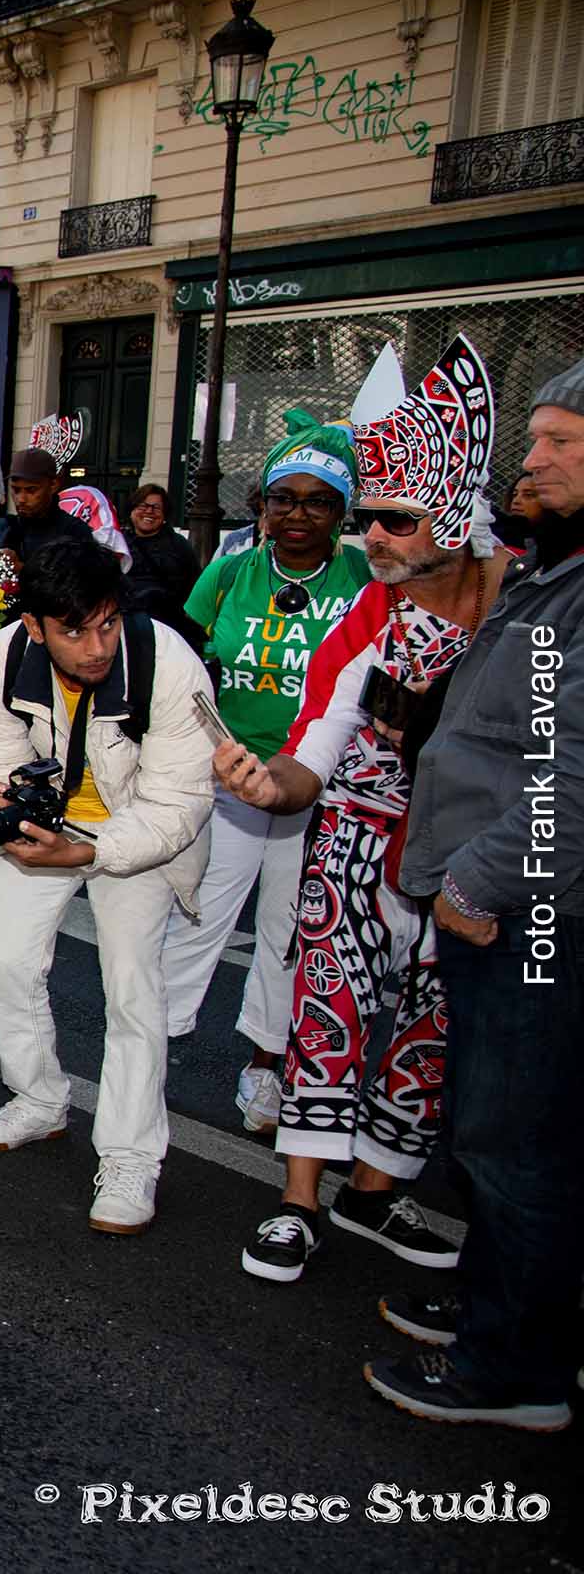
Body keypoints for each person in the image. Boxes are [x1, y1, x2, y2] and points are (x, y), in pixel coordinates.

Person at [214, 347, 507, 1286]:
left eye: (394, 518)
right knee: (328, 1007)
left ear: (455, 517)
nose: (371, 536)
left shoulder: (523, 609)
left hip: (479, 859)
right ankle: (300, 1200)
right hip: (356, 836)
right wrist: (270, 787)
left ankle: (375, 1191)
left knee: (434, 1023)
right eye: (367, 517)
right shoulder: (370, 615)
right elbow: (314, 746)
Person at [366, 351, 584, 1433]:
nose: (529, 459)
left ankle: (517, 1370)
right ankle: (504, 1315)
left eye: (559, 442)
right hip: (508, 900)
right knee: (504, 1130)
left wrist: (479, 883)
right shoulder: (555, 568)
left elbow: (572, 775)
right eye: (531, 436)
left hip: (532, 909)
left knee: (516, 1140)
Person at [0, 540, 215, 1232]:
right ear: (35, 625)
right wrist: (6, 796)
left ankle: (131, 1157)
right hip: (44, 829)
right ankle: (39, 1099)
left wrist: (90, 850)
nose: (96, 647)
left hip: (138, 831)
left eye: (107, 624)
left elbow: (178, 804)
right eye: (73, 631)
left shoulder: (167, 663)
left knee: (133, 992)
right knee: (10, 968)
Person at [163, 416, 370, 1087]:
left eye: (318, 502)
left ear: (342, 511)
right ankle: (150, 1044)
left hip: (321, 786)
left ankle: (267, 1066)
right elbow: (183, 665)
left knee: (289, 929)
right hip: (231, 779)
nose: (298, 515)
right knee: (197, 912)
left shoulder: (367, 578)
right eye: (284, 498)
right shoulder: (227, 575)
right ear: (264, 504)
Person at [0, 447, 92, 569]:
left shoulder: (74, 533)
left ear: (53, 485)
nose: (21, 499)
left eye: (31, 490)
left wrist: (22, 569)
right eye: (16, 490)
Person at [121, 484, 200, 643]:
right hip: (126, 625)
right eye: (143, 506)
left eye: (156, 508)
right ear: (132, 510)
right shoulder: (118, 544)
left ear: (164, 514)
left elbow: (195, 587)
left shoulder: (178, 546)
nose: (149, 511)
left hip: (169, 629)